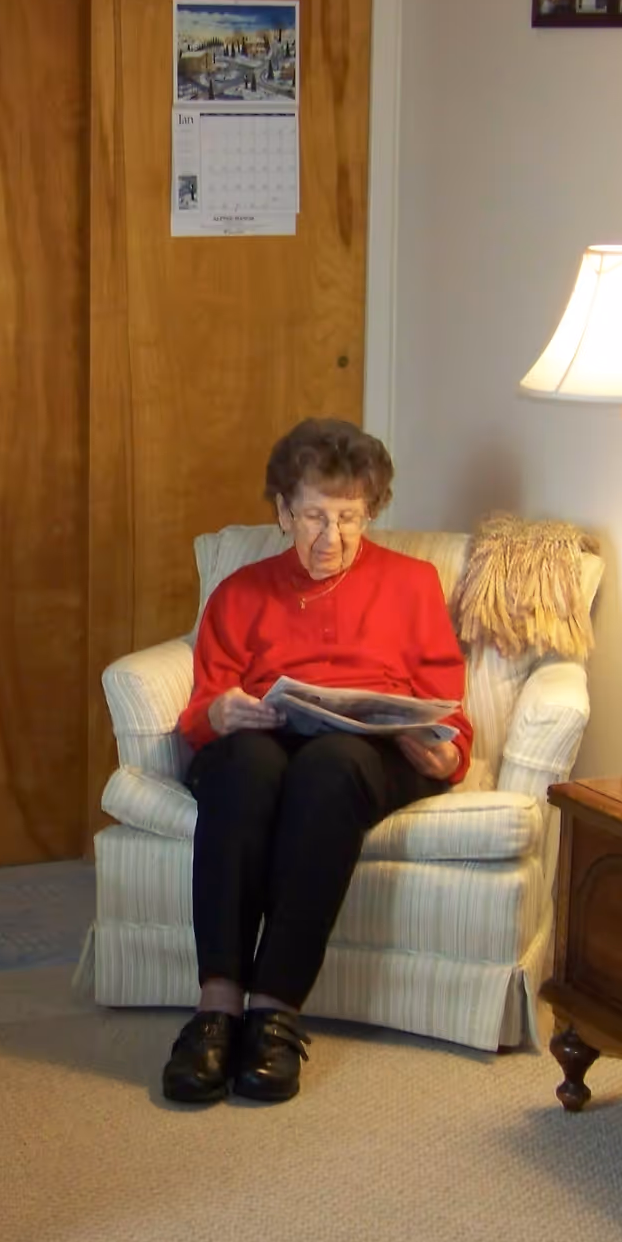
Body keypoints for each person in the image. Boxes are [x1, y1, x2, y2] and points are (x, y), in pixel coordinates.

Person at [159, 419, 473, 1107]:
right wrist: (224, 713)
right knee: (244, 767)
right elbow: (201, 707)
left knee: (329, 768)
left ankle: (273, 1015)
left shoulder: (413, 584)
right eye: (312, 517)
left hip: (367, 754)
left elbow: (446, 707)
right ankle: (216, 1013)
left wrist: (443, 747)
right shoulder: (241, 591)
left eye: (348, 519)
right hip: (266, 738)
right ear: (280, 512)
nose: (330, 539)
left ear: (370, 513)